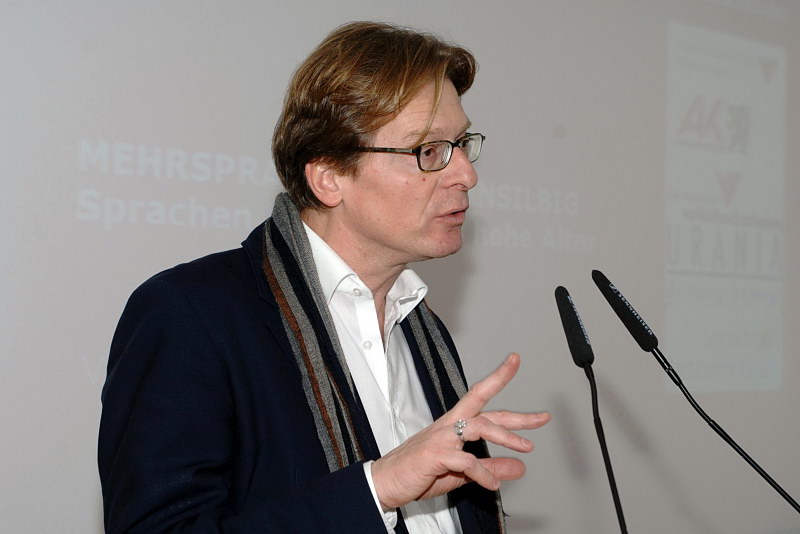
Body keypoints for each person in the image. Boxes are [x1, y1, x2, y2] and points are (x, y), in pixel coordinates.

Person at [98, 21, 550, 533]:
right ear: (329, 177)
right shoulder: (190, 316)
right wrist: (377, 488)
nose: (466, 173)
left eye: (462, 142)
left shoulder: (422, 331)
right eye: (429, 151)